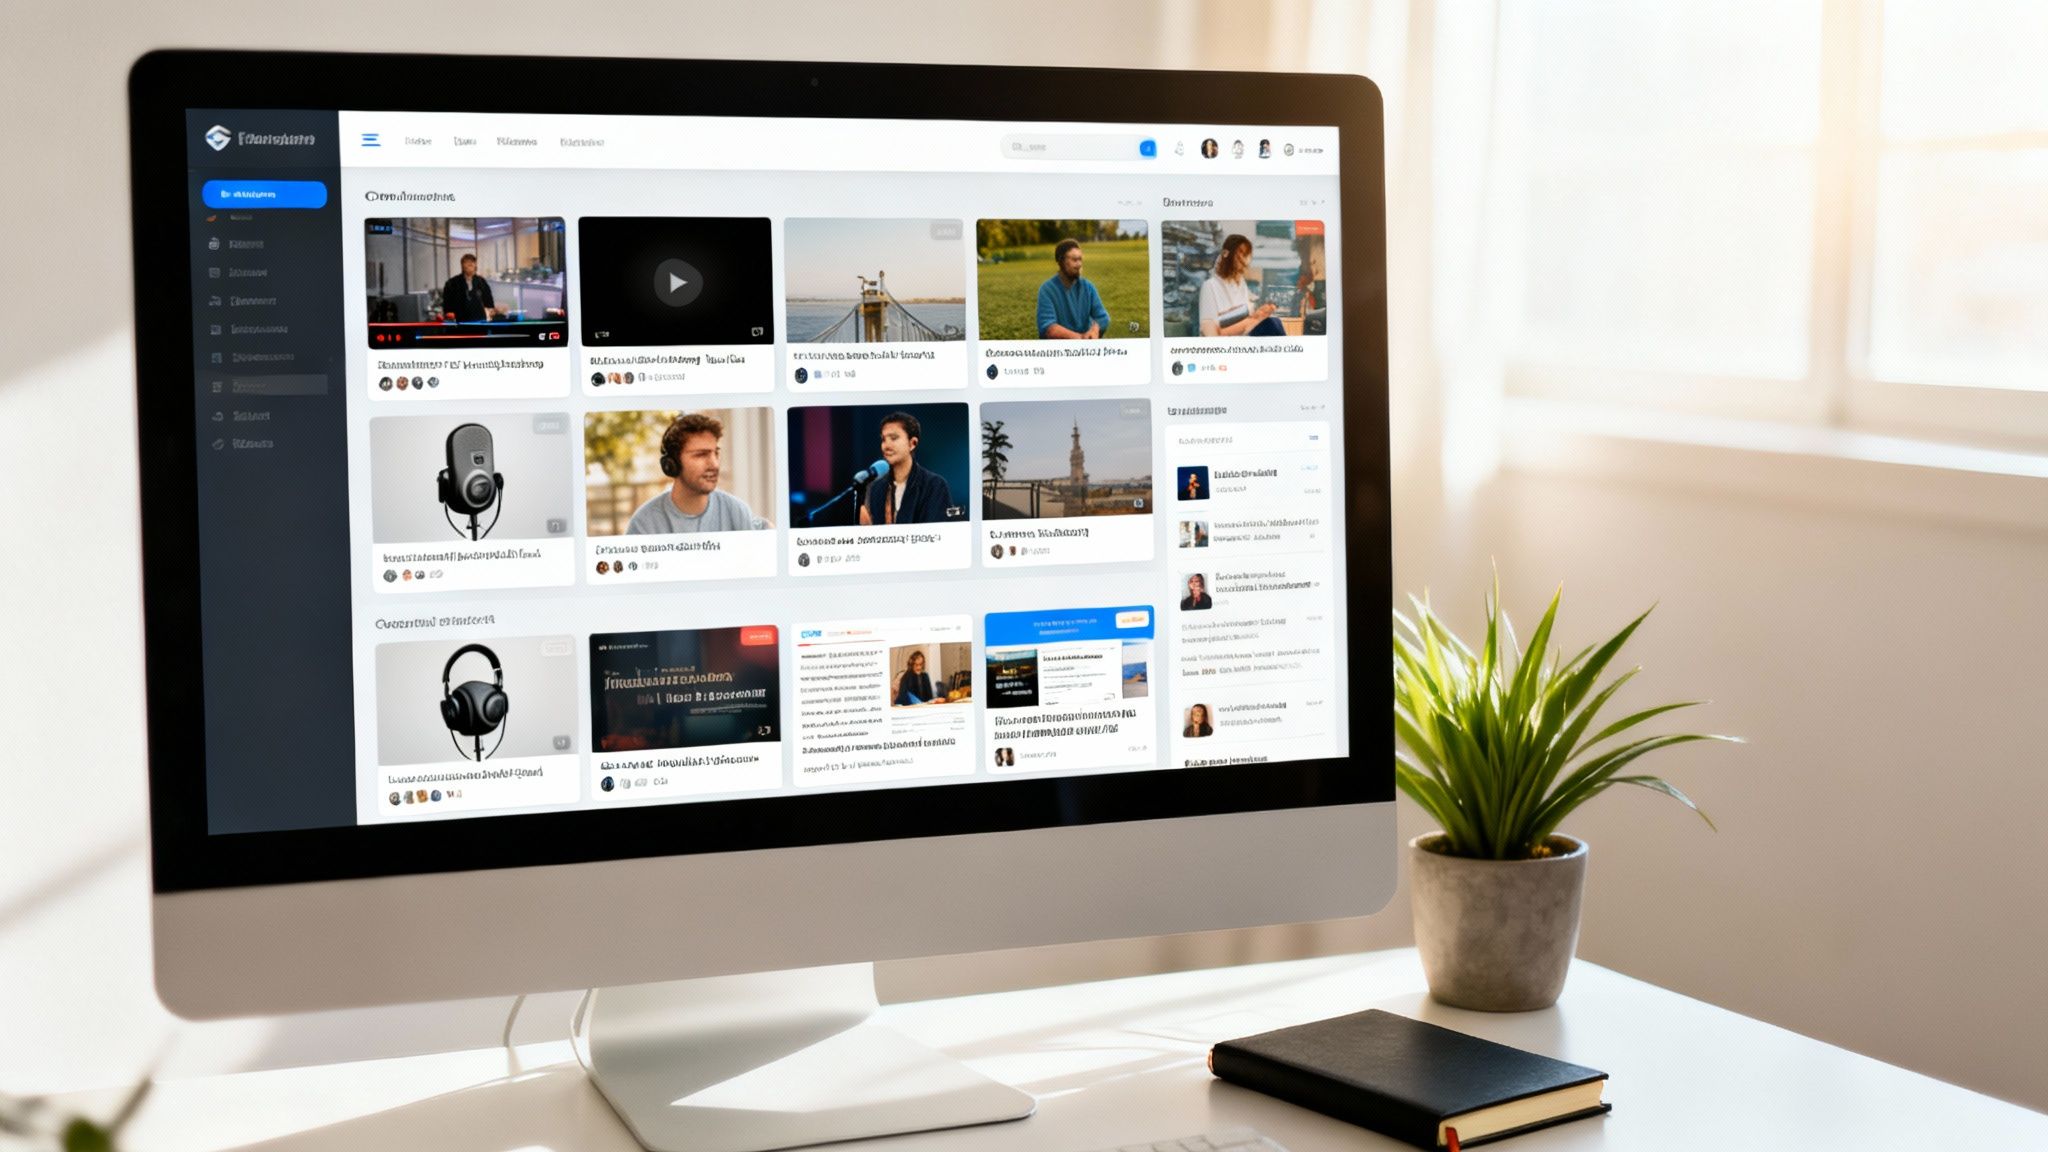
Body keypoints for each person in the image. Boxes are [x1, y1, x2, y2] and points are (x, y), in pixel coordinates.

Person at [626, 412, 767, 534]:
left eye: (716, 453)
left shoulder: (736, 511)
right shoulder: (644, 523)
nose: (714, 464)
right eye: (701, 455)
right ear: (672, 464)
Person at [861, 411, 955, 526]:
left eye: (894, 438)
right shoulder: (876, 488)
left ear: (912, 443)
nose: (886, 446)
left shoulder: (935, 485)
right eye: (883, 439)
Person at [1198, 234, 1287, 337]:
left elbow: (1241, 320)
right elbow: (1212, 335)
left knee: (1274, 322)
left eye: (1247, 255)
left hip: (1241, 340)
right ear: (1226, 254)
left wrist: (1258, 315)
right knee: (1272, 324)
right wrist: (1255, 318)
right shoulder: (1210, 287)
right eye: (1240, 253)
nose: (1244, 260)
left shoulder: (1241, 285)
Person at [1035, 239, 1110, 340]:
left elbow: (1103, 317)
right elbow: (1048, 328)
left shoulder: (1088, 287)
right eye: (1074, 260)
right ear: (1061, 261)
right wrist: (1080, 338)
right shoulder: (1047, 290)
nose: (1079, 264)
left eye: (1080, 259)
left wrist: (1094, 330)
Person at [441, 254, 496, 322]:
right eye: (467, 262)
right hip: (460, 322)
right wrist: (449, 314)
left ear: (475, 265)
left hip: (479, 321)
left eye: (472, 262)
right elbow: (447, 305)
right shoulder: (452, 283)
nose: (470, 264)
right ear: (462, 265)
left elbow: (489, 302)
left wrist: (490, 311)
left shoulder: (482, 282)